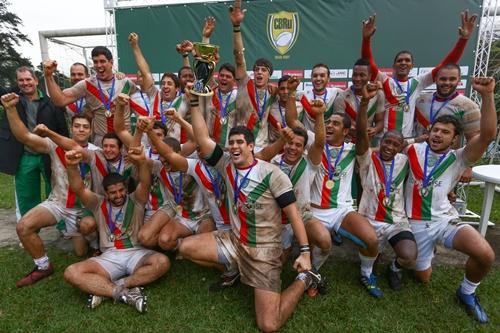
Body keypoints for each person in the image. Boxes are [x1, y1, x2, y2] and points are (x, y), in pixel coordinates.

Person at [178, 70, 324, 331]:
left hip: (265, 250)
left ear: (250, 146)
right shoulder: (226, 164)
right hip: (235, 241)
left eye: (239, 143)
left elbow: (293, 215)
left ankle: (305, 278)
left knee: (269, 325)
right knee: (186, 248)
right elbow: (201, 138)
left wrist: (304, 253)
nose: (233, 147)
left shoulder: (272, 173)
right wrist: (194, 102)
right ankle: (235, 268)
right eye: (231, 142)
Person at [404, 77, 496, 323]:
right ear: (429, 131)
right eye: (435, 130)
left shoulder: (459, 157)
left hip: (445, 220)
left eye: (445, 132)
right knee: (422, 277)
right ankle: (424, 254)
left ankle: (467, 293)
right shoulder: (412, 150)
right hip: (414, 223)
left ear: (455, 139)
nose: (438, 135)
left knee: (485, 254)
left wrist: (487, 95)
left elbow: (487, 135)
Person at [1, 92, 97, 287]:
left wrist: (49, 132)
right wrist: (10, 109)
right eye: (77, 126)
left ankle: (94, 242)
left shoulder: (96, 152)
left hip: (83, 208)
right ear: (71, 128)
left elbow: (76, 150)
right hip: (58, 203)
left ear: (90, 131)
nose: (80, 130)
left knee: (80, 250)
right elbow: (24, 136)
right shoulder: (53, 146)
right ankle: (43, 265)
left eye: (85, 127)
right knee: (24, 226)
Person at [63, 146, 170, 313]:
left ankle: (113, 286)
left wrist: (142, 161)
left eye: (121, 190)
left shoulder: (137, 199)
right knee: (71, 272)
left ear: (126, 188)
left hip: (136, 252)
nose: (119, 195)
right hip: (110, 256)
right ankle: (121, 294)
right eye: (113, 193)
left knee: (162, 262)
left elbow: (145, 182)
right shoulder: (98, 203)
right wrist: (71, 166)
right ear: (106, 193)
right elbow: (79, 188)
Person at [361, 11, 477, 139]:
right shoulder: (384, 80)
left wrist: (463, 40)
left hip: (406, 141)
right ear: (393, 66)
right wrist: (366, 39)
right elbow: (368, 64)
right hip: (382, 139)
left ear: (412, 66)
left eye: (407, 60)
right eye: (399, 61)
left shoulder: (418, 82)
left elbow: (446, 65)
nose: (403, 63)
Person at [355, 82, 417, 291]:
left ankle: (395, 268)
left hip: (396, 219)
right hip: (369, 218)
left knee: (409, 256)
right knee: (369, 259)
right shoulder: (367, 158)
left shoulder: (405, 161)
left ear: (401, 147)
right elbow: (362, 134)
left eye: (395, 144)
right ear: (381, 142)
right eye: (386, 142)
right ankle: (367, 271)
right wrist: (364, 104)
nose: (389, 147)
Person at [0, 67, 68, 220]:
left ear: (36, 81)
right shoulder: (11, 101)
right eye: (21, 80)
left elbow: (62, 128)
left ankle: (63, 226)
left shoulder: (51, 103)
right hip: (24, 155)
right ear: (17, 82)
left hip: (48, 154)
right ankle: (29, 229)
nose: (25, 83)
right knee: (27, 195)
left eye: (28, 79)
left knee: (58, 190)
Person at [43, 46, 137, 146]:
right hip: (101, 144)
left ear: (111, 62)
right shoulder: (86, 85)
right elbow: (60, 101)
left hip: (125, 142)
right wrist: (49, 75)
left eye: (102, 61)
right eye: (95, 62)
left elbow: (141, 106)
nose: (99, 65)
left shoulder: (126, 83)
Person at [415, 63, 481, 182]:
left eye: (452, 79)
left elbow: (474, 140)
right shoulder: (421, 100)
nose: (447, 83)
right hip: (417, 160)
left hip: (447, 164)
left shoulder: (468, 106)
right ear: (435, 79)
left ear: (459, 80)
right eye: (443, 79)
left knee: (442, 199)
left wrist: (468, 166)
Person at [230, 0, 277, 150]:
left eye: (264, 70)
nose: (259, 72)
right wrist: (236, 27)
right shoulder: (245, 83)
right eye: (257, 69)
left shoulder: (274, 92)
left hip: (262, 148)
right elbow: (239, 58)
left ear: (269, 75)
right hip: (241, 145)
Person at [334, 58, 384, 145]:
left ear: (369, 76)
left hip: (368, 143)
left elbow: (380, 121)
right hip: (347, 143)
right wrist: (351, 129)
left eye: (362, 75)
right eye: (355, 75)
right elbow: (338, 124)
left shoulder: (378, 95)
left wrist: (375, 129)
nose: (357, 79)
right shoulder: (342, 97)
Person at [297, 63, 342, 132]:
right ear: (311, 78)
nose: (318, 79)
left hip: (330, 140)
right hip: (310, 140)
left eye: (322, 75)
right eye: (315, 76)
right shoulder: (301, 96)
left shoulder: (337, 93)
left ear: (328, 78)